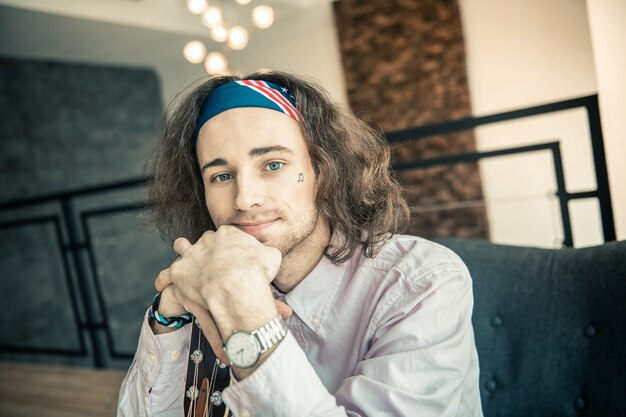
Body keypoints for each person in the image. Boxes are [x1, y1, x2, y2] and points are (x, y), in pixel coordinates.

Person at [117, 71, 483, 417]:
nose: (244, 199)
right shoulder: (208, 274)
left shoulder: (423, 282)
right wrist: (169, 316)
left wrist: (248, 316)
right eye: (222, 175)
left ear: (322, 171)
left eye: (272, 165)